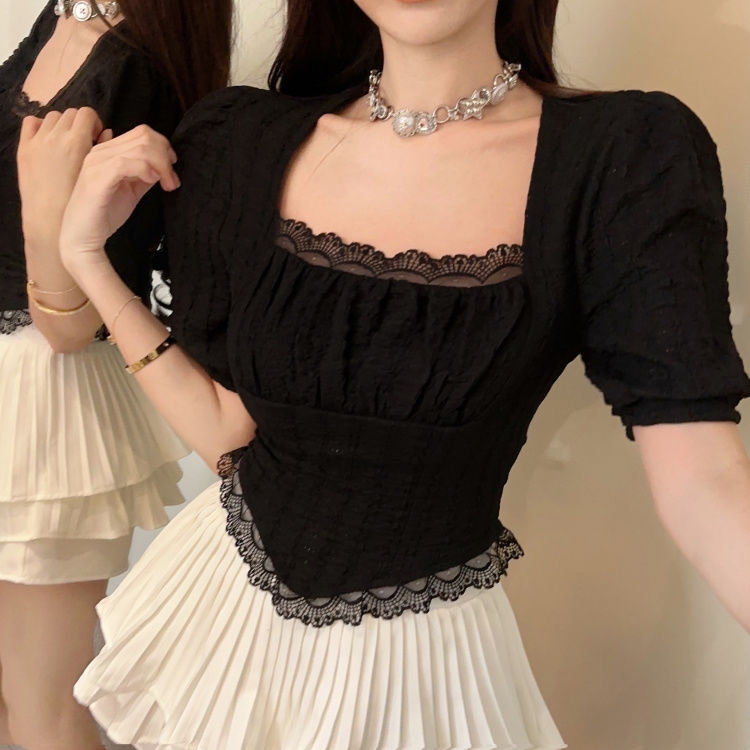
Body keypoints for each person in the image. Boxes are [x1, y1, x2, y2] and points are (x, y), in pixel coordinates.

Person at [23, 0, 750, 747]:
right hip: (222, 617)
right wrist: (86, 260)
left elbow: (704, 480)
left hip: (418, 669)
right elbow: (231, 436)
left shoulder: (620, 157)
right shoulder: (240, 139)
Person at [0, 1, 232, 748]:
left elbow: (75, 322)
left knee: (44, 708)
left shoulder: (134, 66)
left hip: (43, 406)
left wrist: (46, 219)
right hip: (20, 386)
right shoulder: (65, 15)